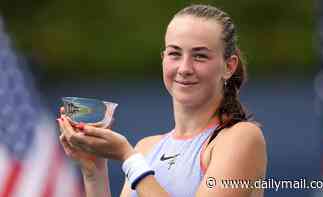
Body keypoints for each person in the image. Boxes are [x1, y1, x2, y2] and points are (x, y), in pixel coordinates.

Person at [57, 4, 267, 197]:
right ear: (163, 59)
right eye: (175, 54)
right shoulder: (145, 148)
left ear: (228, 67)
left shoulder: (242, 138)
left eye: (200, 56)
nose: (184, 68)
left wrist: (129, 159)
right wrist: (94, 170)